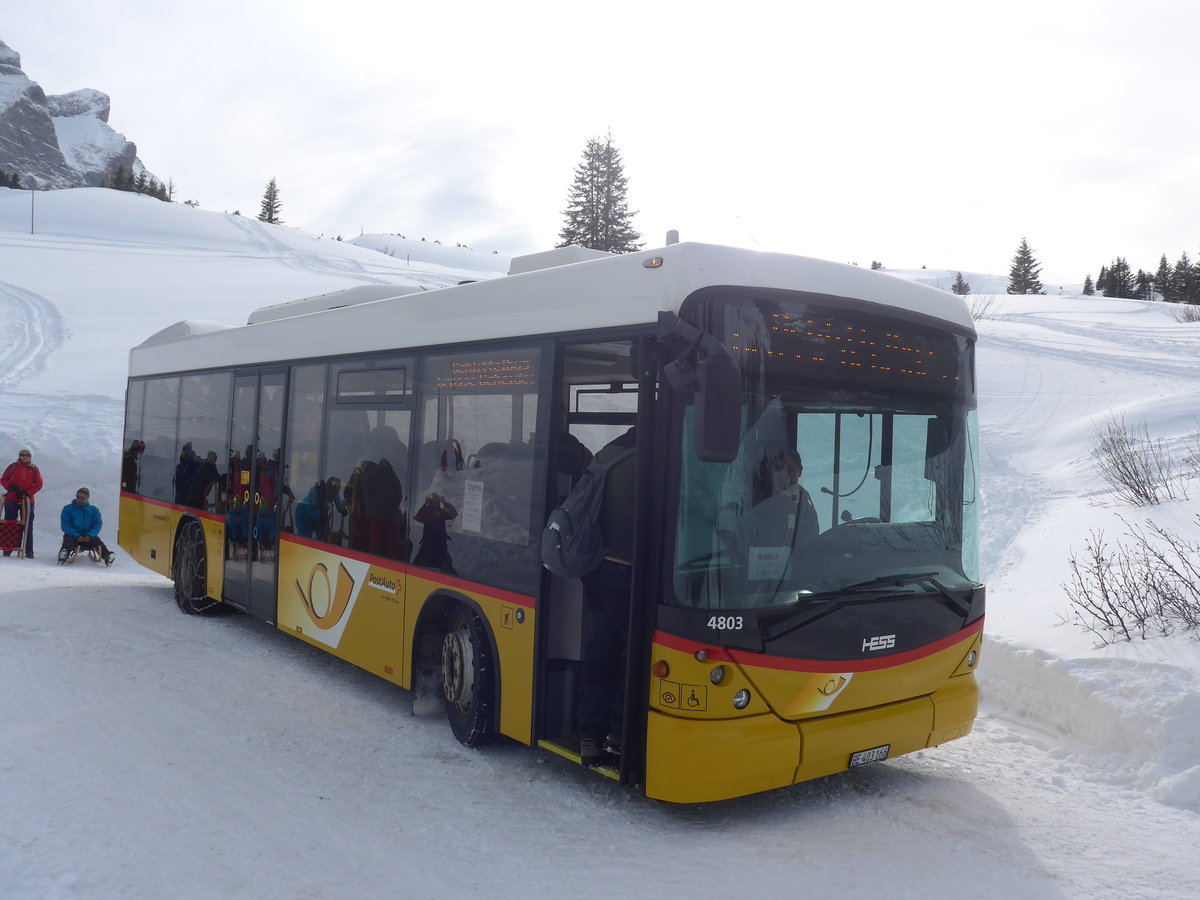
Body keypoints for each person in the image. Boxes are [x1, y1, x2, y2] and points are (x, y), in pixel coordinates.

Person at [578, 426, 636, 766]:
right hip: (626, 573)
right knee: (639, 653)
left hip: (596, 569)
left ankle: (590, 736)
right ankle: (619, 731)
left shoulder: (608, 454)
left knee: (601, 650)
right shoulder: (651, 459)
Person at [2, 447, 43, 558]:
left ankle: (29, 550)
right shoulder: (13, 466)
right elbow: (3, 480)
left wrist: (27, 493)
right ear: (19, 456)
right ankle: (7, 549)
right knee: (10, 523)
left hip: (27, 500)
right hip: (12, 499)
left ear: (30, 457)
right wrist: (11, 487)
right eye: (22, 454)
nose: (24, 457)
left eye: (27, 455)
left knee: (28, 524)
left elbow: (39, 484)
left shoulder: (34, 469)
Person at [59, 487, 115, 565]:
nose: (80, 500)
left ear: (88, 498)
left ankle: (107, 556)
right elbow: (65, 525)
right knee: (68, 541)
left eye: (82, 498)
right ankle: (64, 554)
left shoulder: (94, 510)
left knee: (97, 542)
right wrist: (77, 536)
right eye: (78, 497)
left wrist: (90, 535)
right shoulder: (68, 509)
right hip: (73, 535)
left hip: (88, 536)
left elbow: (97, 524)